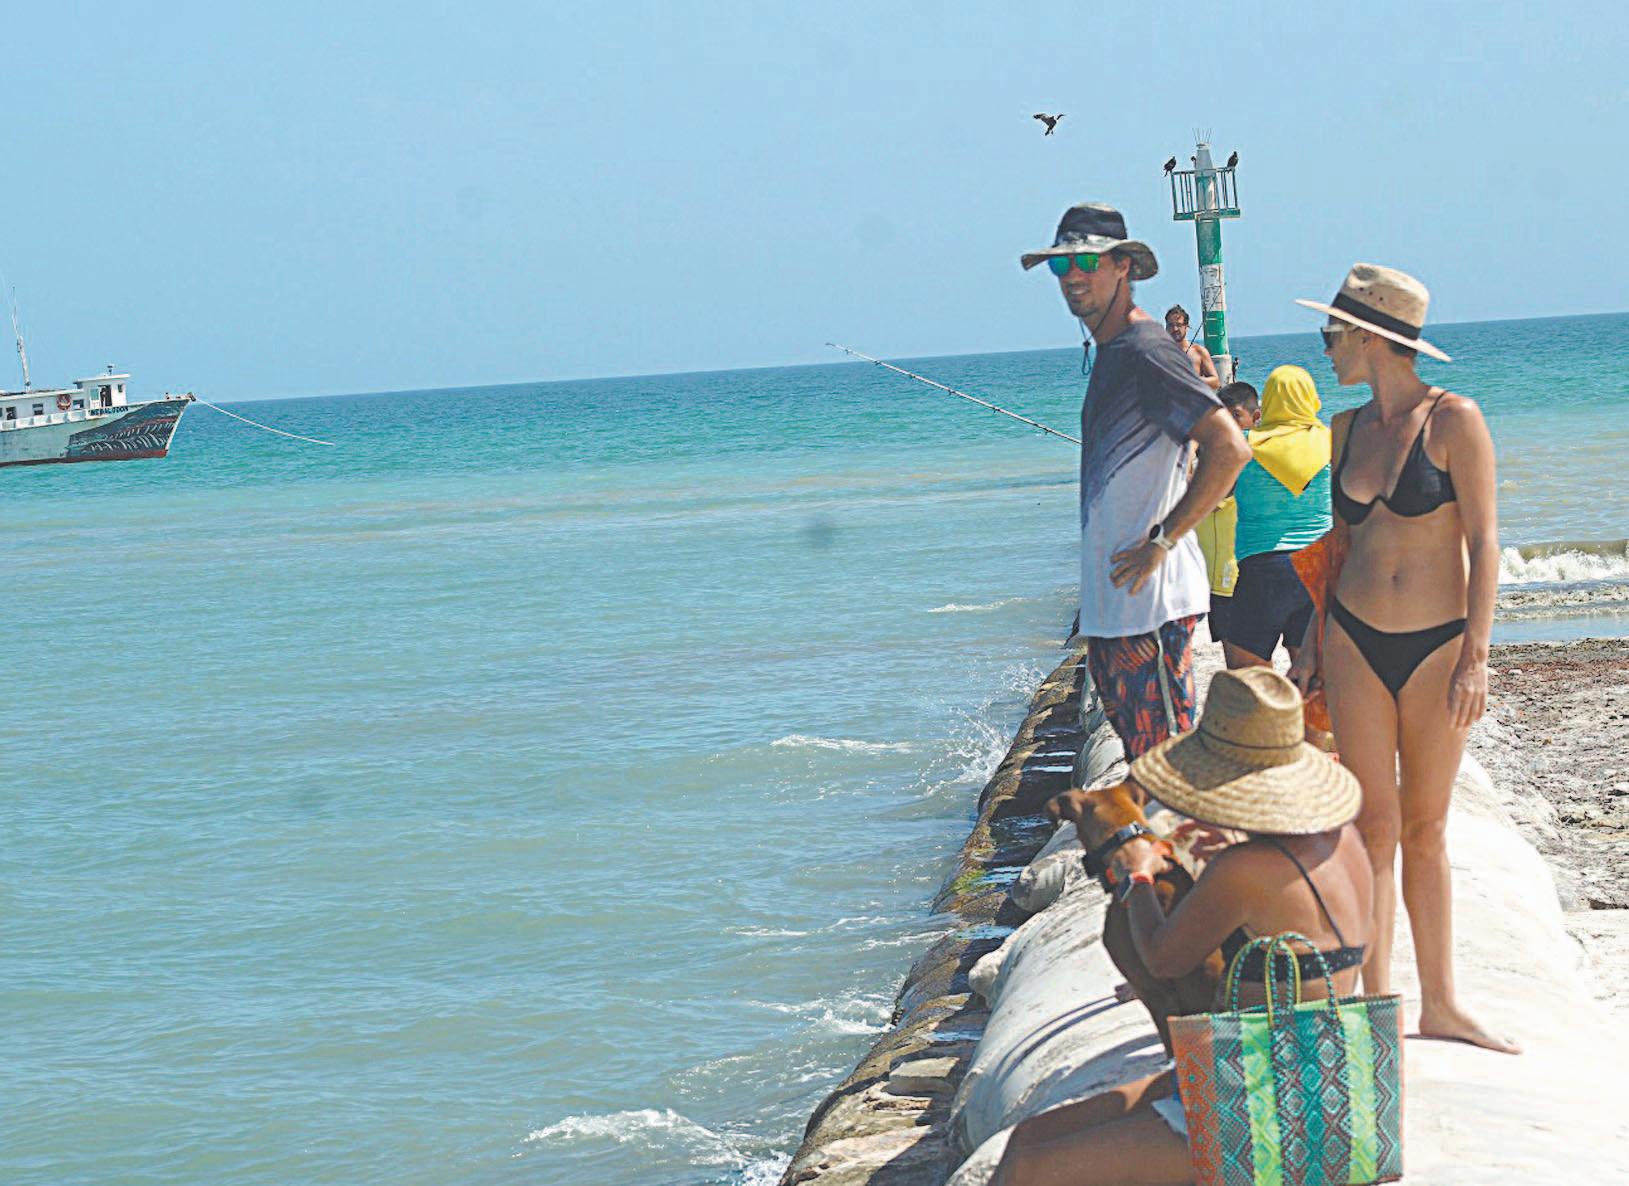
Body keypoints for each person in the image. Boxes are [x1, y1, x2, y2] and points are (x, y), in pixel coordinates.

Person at [993, 668, 1373, 1185]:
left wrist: (1137, 875)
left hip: (1266, 1111)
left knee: (1028, 1165)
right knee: (1027, 1138)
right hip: (1323, 1082)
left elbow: (1161, 959)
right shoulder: (1345, 841)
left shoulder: (1244, 870)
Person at [1287, 264, 1516, 1054]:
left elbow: (1484, 541)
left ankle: (1442, 1003)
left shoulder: (1455, 420)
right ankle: (1375, 999)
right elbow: (1339, 542)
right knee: (1369, 826)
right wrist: (1311, 644)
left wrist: (1476, 656)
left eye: (1331, 334)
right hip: (1351, 637)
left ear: (1367, 336)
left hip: (1436, 645)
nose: (1324, 348)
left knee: (1423, 828)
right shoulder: (1343, 430)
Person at [1023, 204, 1250, 759]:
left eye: (1087, 261)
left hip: (1153, 607)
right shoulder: (1115, 354)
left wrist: (1162, 542)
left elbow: (1230, 448)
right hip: (1118, 610)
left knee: (1168, 765)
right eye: (1061, 265)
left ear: (1123, 265)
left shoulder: (1147, 351)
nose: (1073, 276)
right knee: (1145, 767)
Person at [1224, 365, 1332, 670]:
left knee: (1249, 673)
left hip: (1262, 565)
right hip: (1318, 563)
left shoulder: (1245, 444)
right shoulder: (1331, 441)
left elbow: (1219, 493)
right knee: (1313, 672)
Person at [1194, 382, 1260, 649]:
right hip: (1218, 572)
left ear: (1255, 417)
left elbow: (1212, 497)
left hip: (1229, 573)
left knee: (1239, 649)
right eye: (1222, 415)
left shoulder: (1240, 449)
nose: (1228, 422)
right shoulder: (1216, 448)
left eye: (1235, 415)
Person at [1163, 305, 1221, 390]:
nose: (1174, 329)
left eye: (1179, 325)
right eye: (1170, 325)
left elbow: (1215, 383)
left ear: (1186, 326)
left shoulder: (1199, 352)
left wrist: (1190, 379)